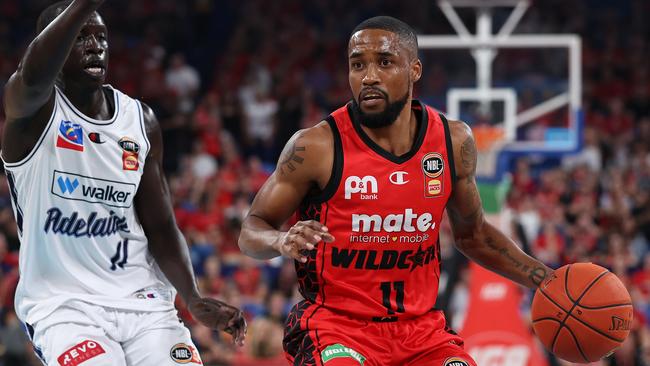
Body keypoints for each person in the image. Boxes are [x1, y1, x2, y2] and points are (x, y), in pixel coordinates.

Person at [239, 16, 554, 366]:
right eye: (357, 65)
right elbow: (252, 229)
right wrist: (280, 241)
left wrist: (546, 280)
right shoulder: (315, 146)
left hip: (421, 333)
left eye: (384, 62)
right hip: (337, 328)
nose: (369, 76)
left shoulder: (452, 141)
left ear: (415, 69)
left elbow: (473, 235)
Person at [1, 1, 246, 364]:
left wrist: (192, 297)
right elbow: (33, 76)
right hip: (66, 308)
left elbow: (161, 226)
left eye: (100, 36)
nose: (95, 45)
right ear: (52, 44)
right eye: (80, 36)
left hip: (144, 302)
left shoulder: (139, 120)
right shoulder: (33, 116)